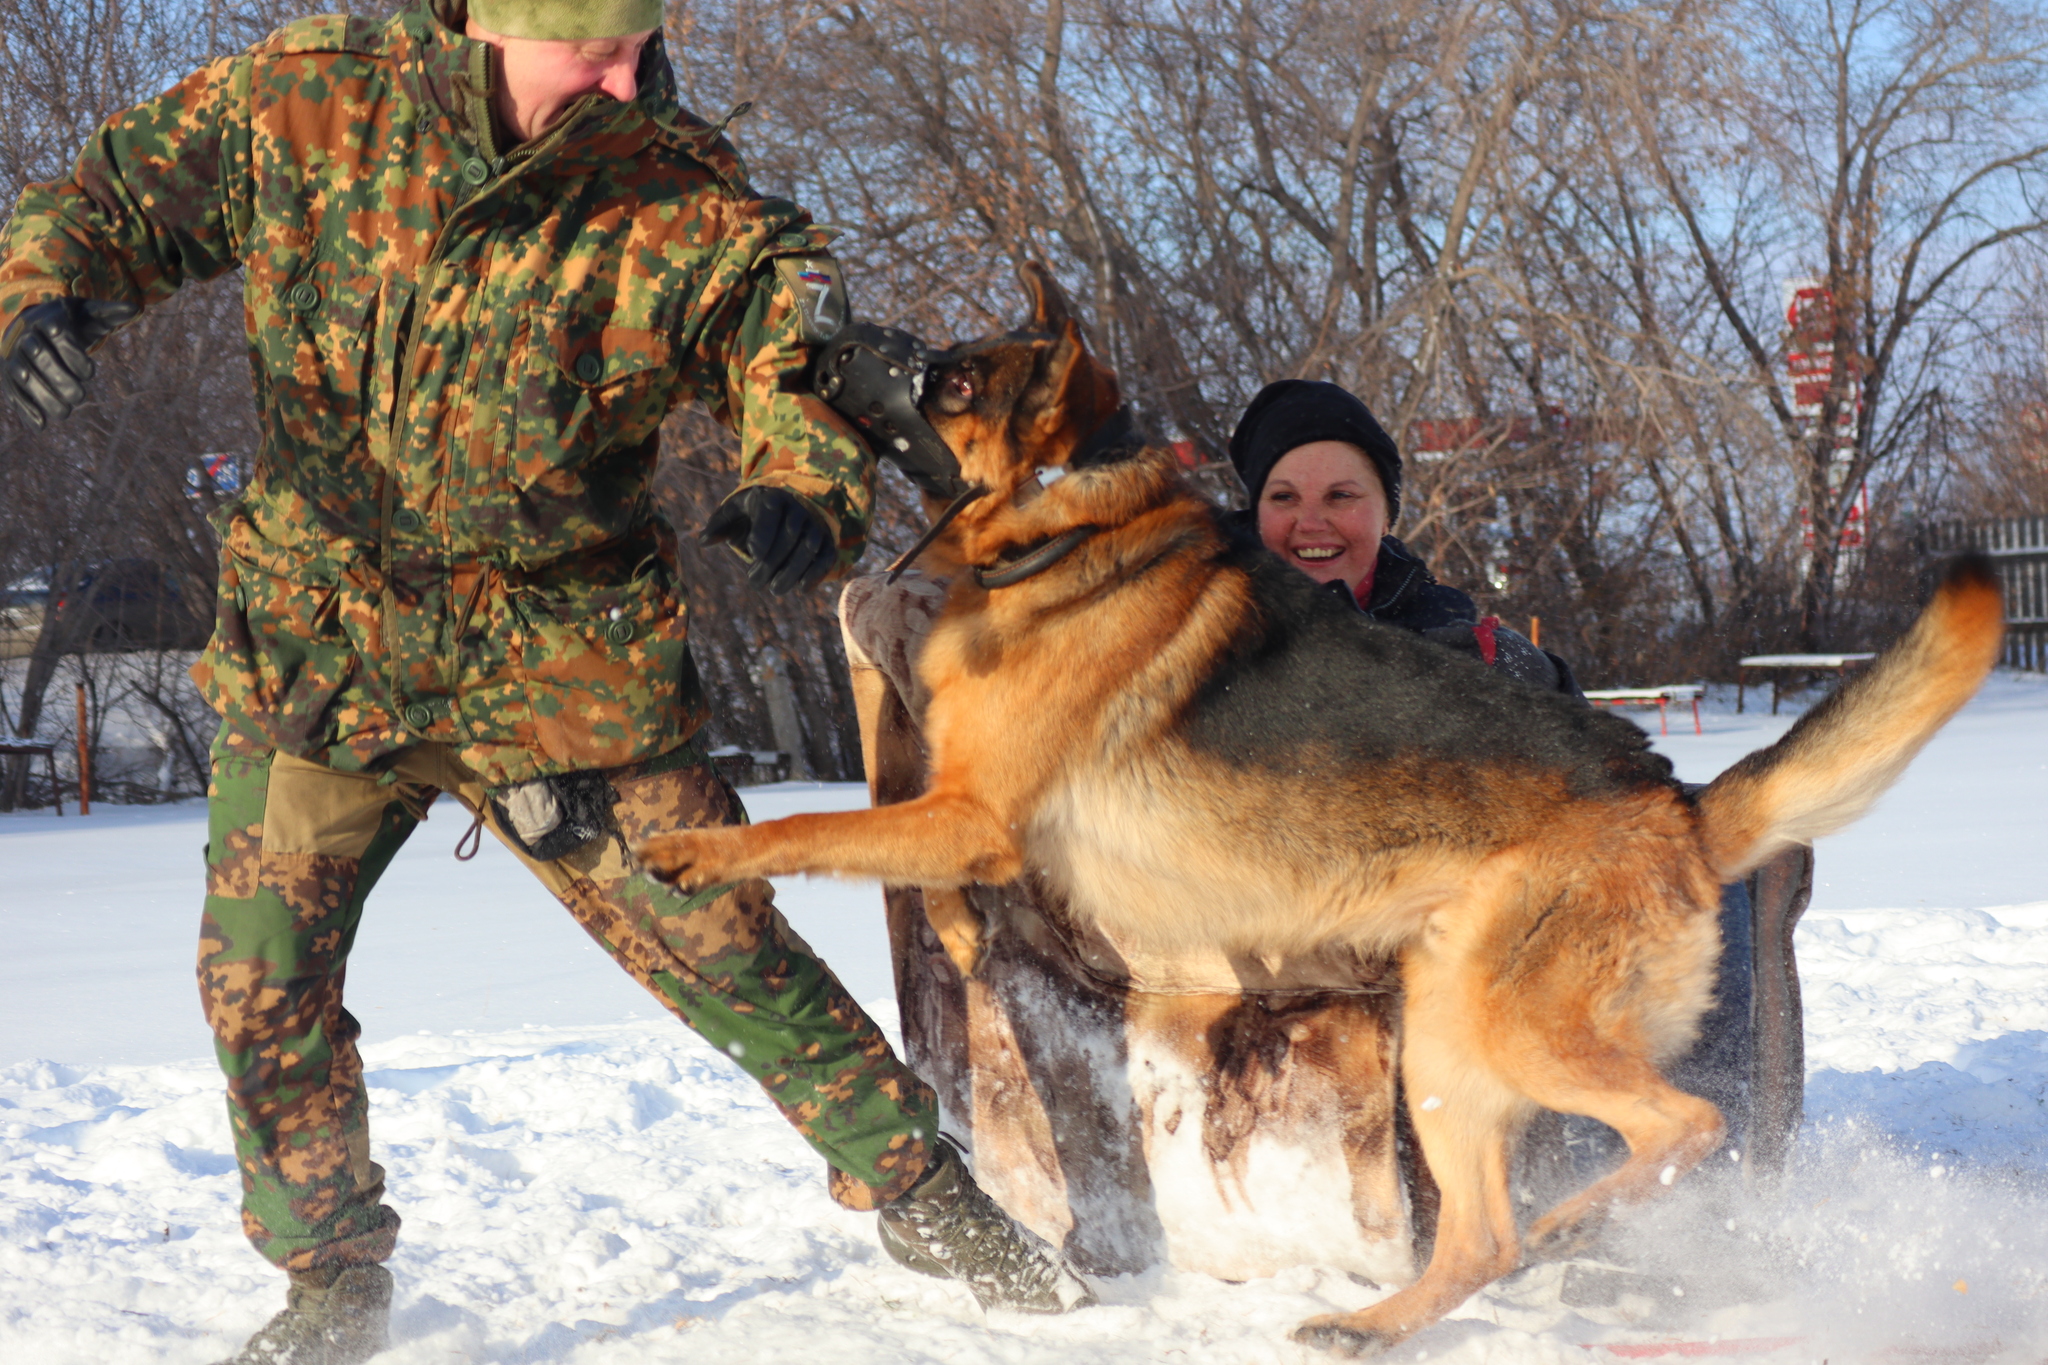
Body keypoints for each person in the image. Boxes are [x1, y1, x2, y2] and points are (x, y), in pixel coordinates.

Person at [0, 4, 1088, 1361]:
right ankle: (331, 1274)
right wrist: (40, 289)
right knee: (259, 980)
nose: (628, 76)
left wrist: (805, 478)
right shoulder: (305, 100)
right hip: (324, 659)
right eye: (595, 50)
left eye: (643, 43)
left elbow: (786, 339)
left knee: (724, 947)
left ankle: (922, 1190)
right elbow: (101, 198)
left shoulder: (671, 182)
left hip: (560, 673)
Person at [1226, 378, 1580, 695]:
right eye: (1284, 497)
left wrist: (1541, 684)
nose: (1311, 523)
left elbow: (1600, 765)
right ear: (1256, 515)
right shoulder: (1196, 651)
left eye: (1341, 496)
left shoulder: (1472, 661)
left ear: (1386, 517)